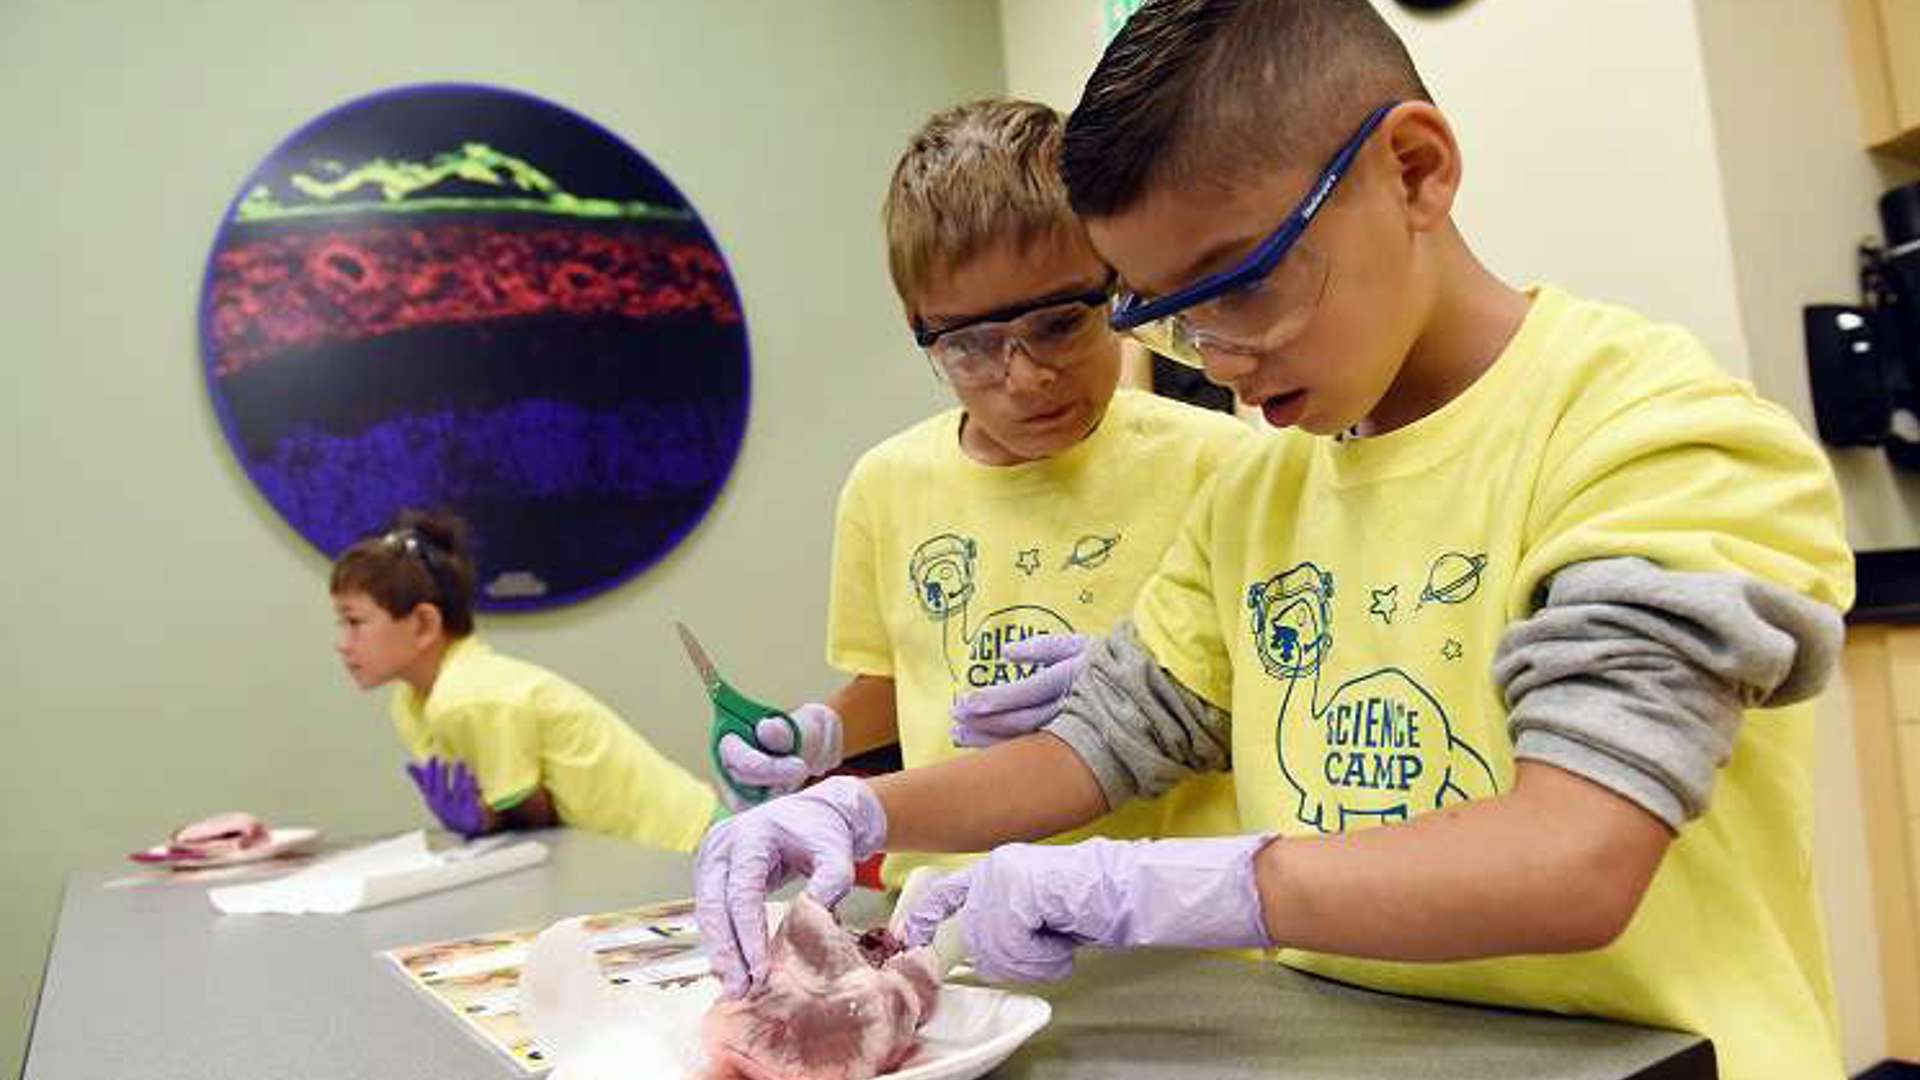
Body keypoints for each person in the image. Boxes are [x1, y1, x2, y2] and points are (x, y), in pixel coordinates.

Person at [692, 2, 1854, 1076]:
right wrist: (853, 812)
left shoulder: (1657, 440)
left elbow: (1575, 858)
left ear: (1415, 169)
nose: (1220, 356)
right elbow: (1102, 745)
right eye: (1166, 314)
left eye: (1238, 285)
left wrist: (1152, 886)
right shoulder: (1265, 491)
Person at [708, 98, 1250, 887]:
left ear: (1118, 283)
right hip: (944, 908)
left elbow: (1277, 693)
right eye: (970, 345)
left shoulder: (1222, 465)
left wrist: (1151, 684)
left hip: (1165, 918)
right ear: (918, 324)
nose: (1025, 376)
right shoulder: (886, 487)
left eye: (1062, 324)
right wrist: (819, 734)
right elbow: (903, 684)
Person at [331, 509, 717, 851]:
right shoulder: (413, 702)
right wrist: (487, 816)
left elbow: (535, 819)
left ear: (423, 624)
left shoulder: (467, 697)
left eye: (354, 622)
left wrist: (485, 820)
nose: (342, 645)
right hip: (663, 845)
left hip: (688, 844)